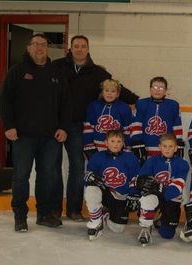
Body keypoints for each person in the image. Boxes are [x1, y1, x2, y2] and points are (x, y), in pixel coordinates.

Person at [53, 35, 139, 221]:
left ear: (88, 48)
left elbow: (117, 88)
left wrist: (140, 102)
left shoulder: (97, 72)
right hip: (56, 124)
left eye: (83, 46)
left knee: (77, 168)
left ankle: (74, 209)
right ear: (70, 48)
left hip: (78, 126)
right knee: (52, 167)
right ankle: (53, 208)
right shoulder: (58, 66)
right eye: (76, 46)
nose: (79, 49)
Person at [0, 33, 72, 232]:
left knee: (47, 176)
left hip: (50, 137)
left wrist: (63, 127)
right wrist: (9, 126)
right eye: (36, 44)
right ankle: (20, 216)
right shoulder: (17, 71)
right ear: (28, 47)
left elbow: (66, 104)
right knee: (21, 176)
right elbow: (4, 100)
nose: (40, 48)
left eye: (43, 45)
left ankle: (44, 214)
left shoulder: (56, 72)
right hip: (23, 136)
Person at [83, 130, 140, 240]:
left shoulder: (131, 158)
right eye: (112, 141)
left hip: (121, 197)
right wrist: (89, 177)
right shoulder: (97, 157)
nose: (115, 144)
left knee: (118, 229)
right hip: (105, 193)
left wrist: (134, 194)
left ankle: (105, 215)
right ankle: (95, 221)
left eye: (119, 141)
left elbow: (135, 179)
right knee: (91, 189)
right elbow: (88, 176)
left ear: (123, 143)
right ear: (106, 143)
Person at [133, 133, 189, 245]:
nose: (167, 149)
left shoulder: (183, 164)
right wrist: (141, 185)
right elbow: (140, 180)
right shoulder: (151, 161)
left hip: (171, 198)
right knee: (147, 197)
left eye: (170, 146)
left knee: (167, 235)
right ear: (159, 147)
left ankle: (161, 219)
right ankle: (146, 227)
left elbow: (177, 188)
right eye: (164, 146)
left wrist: (160, 188)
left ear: (176, 148)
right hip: (155, 196)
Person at [131, 76, 184, 164]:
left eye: (161, 88)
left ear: (165, 90)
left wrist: (178, 142)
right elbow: (136, 125)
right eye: (155, 87)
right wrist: (137, 141)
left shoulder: (173, 105)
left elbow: (177, 126)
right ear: (150, 89)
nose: (157, 90)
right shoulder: (141, 104)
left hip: (166, 149)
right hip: (145, 147)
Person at [83, 79, 133, 156]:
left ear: (118, 94)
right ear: (102, 92)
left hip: (117, 148)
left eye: (113, 91)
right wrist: (88, 145)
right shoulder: (93, 106)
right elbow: (88, 128)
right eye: (106, 90)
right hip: (97, 147)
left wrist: (128, 147)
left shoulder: (124, 107)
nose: (109, 94)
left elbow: (128, 129)